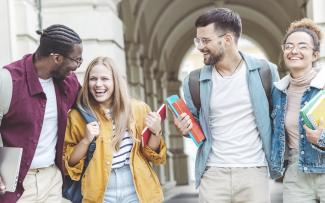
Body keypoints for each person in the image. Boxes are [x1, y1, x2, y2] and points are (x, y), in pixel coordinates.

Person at [173, 8, 279, 203]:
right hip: (212, 173)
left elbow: (278, 119)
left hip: (254, 172)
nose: (200, 47)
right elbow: (195, 128)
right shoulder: (194, 81)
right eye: (198, 40)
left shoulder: (265, 72)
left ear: (228, 39)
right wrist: (185, 129)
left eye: (206, 40)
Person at [63, 56, 166, 203]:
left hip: (136, 186)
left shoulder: (138, 109)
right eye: (93, 79)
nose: (98, 84)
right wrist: (86, 140)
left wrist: (156, 132)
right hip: (100, 190)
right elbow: (70, 163)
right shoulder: (77, 116)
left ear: (115, 81)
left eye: (105, 79)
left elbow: (150, 154)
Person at [0, 24, 82, 202]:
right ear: (57, 58)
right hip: (17, 185)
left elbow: (91, 107)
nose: (76, 66)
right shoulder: (8, 80)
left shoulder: (69, 83)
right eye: (76, 60)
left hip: (52, 179)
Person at [270, 18, 325, 202]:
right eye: (289, 46)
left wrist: (321, 139)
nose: (294, 51)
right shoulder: (278, 91)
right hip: (296, 172)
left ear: (315, 54)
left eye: (302, 46)